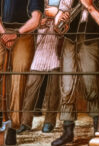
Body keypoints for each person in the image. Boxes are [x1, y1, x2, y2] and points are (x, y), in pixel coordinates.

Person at [51, 0, 99, 146]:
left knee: (91, 85)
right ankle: (68, 131)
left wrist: (90, 6)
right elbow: (58, 22)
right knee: (66, 86)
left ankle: (97, 129)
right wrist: (61, 21)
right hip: (70, 40)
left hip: (90, 41)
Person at [0, 0, 43, 144]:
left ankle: (12, 127)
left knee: (17, 82)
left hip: (24, 35)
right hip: (2, 33)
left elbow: (36, 19)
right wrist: (3, 34)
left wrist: (17, 34)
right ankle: (3, 114)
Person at [19, 6, 62, 134]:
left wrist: (57, 16)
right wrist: (38, 23)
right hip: (39, 49)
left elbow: (68, 19)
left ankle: (49, 122)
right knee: (31, 87)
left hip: (57, 48)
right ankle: (25, 122)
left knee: (54, 89)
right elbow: (28, 18)